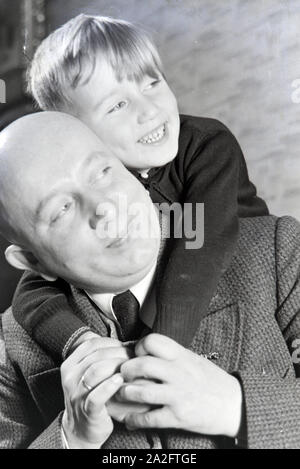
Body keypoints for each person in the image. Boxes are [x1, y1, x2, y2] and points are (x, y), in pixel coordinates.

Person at [0, 112, 300, 449]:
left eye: (102, 172)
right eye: (62, 210)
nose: (104, 208)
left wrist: (237, 406)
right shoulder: (9, 348)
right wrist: (71, 439)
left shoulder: (278, 250)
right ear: (32, 261)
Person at [11, 14, 269, 361]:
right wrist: (79, 342)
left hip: (242, 277)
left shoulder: (207, 145)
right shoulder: (104, 191)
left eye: (151, 83)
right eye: (117, 105)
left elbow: (201, 248)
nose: (149, 111)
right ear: (76, 135)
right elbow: (32, 291)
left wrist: (163, 352)